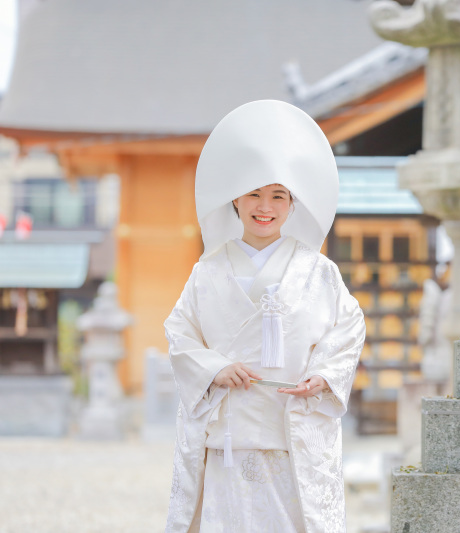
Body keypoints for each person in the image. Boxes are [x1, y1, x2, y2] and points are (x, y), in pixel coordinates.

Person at [164, 100, 366, 533]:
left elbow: (348, 328)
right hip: (228, 437)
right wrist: (215, 368)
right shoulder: (208, 272)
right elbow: (180, 334)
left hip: (289, 434)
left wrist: (325, 376)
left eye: (278, 196)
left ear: (293, 204)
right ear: (235, 199)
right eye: (254, 193)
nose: (265, 206)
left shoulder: (319, 271)